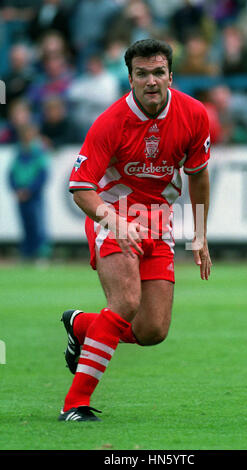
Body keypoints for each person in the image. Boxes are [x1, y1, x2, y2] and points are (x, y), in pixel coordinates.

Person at [59, 38, 212, 422]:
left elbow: (198, 176)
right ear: (129, 79)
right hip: (113, 215)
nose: (151, 81)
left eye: (158, 72)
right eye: (141, 74)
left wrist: (200, 233)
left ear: (171, 76)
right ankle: (74, 404)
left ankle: (81, 326)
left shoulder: (194, 115)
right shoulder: (111, 121)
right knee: (125, 303)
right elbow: (80, 187)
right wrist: (112, 221)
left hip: (158, 221)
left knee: (151, 330)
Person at [8, 123, 51, 262]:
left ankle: (41, 253)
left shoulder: (38, 152)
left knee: (37, 223)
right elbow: (11, 174)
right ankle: (27, 252)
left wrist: (30, 190)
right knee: (25, 224)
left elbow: (43, 174)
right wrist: (16, 189)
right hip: (22, 195)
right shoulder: (19, 152)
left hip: (34, 195)